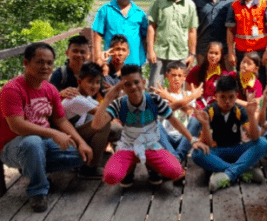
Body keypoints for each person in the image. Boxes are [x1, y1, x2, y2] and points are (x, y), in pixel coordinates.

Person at [0, 43, 92, 213]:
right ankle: (38, 191)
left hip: (42, 144)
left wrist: (81, 143)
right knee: (33, 142)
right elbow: (17, 126)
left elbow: (61, 120)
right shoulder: (11, 90)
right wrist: (54, 133)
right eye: (39, 62)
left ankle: (35, 168)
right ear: (26, 63)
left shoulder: (50, 89)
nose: (46, 67)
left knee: (81, 156)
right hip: (13, 147)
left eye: (49, 63)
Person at [91, 64, 209, 187]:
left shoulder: (154, 99)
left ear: (143, 82)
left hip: (151, 147)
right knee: (110, 177)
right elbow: (96, 125)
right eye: (128, 84)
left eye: (136, 82)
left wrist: (192, 139)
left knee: (176, 172)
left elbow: (174, 120)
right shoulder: (119, 103)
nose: (133, 87)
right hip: (127, 147)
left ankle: (153, 168)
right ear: (123, 87)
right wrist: (108, 99)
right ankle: (129, 171)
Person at [192, 75, 267, 192]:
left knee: (263, 143)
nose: (227, 101)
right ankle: (243, 172)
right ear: (216, 96)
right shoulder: (210, 111)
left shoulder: (239, 110)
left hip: (236, 149)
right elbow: (206, 143)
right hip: (217, 151)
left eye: (231, 97)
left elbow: (254, 137)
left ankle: (227, 174)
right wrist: (205, 124)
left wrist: (251, 115)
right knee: (197, 153)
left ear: (236, 96)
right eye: (222, 97)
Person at [62, 62, 122, 178]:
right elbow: (105, 113)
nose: (94, 86)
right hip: (68, 138)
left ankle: (102, 156)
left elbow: (104, 109)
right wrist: (111, 97)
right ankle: (89, 168)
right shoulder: (76, 99)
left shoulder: (86, 97)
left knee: (115, 128)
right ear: (79, 81)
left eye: (97, 82)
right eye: (90, 82)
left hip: (75, 133)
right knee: (104, 124)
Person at [147, 0, 198, 88]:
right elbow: (151, 26)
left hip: (180, 54)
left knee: (177, 88)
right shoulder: (159, 0)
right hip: (159, 53)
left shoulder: (190, 4)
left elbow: (192, 31)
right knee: (155, 87)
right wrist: (150, 50)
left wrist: (192, 54)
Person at [226, 0, 267, 87]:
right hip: (241, 52)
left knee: (261, 82)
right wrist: (231, 52)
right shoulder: (234, 6)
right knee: (243, 83)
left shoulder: (265, 5)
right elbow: (230, 31)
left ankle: (261, 104)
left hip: (260, 52)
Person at [152, 61, 204, 163]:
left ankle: (175, 159)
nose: (176, 78)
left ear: (184, 77)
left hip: (184, 137)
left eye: (180, 75)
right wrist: (187, 99)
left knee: (195, 121)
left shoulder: (188, 94)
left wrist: (168, 97)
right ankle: (177, 158)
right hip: (167, 137)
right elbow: (165, 111)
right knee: (154, 124)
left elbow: (189, 110)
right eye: (173, 75)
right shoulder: (159, 95)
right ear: (167, 76)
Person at [92, 0, 148, 66]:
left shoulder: (140, 14)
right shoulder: (105, 10)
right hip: (111, 62)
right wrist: (98, 57)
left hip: (134, 63)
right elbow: (97, 34)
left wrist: (147, 56)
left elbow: (145, 37)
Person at [191, 0, 237, 70]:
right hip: (203, 49)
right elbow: (191, 27)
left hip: (225, 50)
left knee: (227, 82)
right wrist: (192, 52)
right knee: (203, 80)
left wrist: (232, 50)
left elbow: (235, 25)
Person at [185, 42, 228, 109]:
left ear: (221, 56)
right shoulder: (196, 70)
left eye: (216, 53)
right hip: (196, 107)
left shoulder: (224, 75)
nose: (213, 56)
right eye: (211, 52)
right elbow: (187, 90)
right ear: (207, 53)